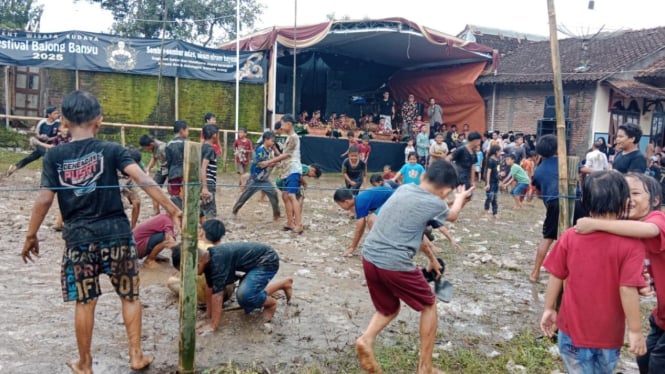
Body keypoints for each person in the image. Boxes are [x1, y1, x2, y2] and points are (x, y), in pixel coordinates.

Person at [20, 90, 182, 373]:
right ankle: (136, 356)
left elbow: (44, 199)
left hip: (79, 239)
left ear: (65, 123)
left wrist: (31, 235)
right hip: (117, 235)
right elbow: (142, 178)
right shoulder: (112, 150)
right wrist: (171, 208)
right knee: (130, 295)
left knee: (85, 301)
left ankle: (84, 363)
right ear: (99, 120)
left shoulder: (54, 156)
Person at [355, 160, 473, 374]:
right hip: (394, 263)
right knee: (429, 305)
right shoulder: (435, 203)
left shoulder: (405, 188)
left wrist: (432, 259)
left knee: (388, 308)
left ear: (422, 177)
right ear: (446, 191)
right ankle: (425, 368)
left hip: (370, 256)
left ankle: (366, 339)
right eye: (447, 194)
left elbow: (415, 232)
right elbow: (452, 215)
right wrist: (460, 199)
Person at [540, 171, 646, 373]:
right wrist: (635, 330)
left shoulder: (571, 236)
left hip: (571, 331)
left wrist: (549, 308)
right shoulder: (632, 245)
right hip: (608, 336)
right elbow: (627, 289)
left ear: (584, 201)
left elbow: (556, 275)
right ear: (625, 202)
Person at [574, 173, 665, 373]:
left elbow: (650, 230)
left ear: (655, 201)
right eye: (624, 193)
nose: (629, 199)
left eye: (636, 193)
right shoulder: (625, 230)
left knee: (658, 364)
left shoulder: (657, 218)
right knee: (645, 359)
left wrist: (595, 223)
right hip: (660, 316)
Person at [172, 221, 293, 334]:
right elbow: (210, 288)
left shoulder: (217, 262)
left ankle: (271, 304)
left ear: (197, 264)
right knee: (248, 292)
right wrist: (208, 315)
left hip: (266, 261)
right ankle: (284, 283)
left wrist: (213, 325)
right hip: (250, 264)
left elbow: (217, 296)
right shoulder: (207, 260)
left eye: (187, 273)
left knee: (244, 296)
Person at [529, 134, 586, 282]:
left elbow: (539, 192)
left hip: (553, 203)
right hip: (575, 201)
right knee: (580, 236)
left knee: (547, 238)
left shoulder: (539, 170)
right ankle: (575, 272)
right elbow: (584, 170)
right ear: (558, 148)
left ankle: (535, 273)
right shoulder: (567, 162)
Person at [265, 114, 303, 233]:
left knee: (291, 195)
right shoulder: (289, 138)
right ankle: (290, 222)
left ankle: (299, 224)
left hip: (293, 170)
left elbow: (286, 155)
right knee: (285, 195)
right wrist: (276, 164)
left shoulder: (293, 137)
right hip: (287, 170)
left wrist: (269, 162)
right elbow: (285, 158)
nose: (281, 127)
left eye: (282, 124)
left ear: (289, 124)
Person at [333, 183, 395, 257]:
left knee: (372, 220)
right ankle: (382, 243)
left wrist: (353, 247)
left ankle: (381, 246)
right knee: (373, 217)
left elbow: (360, 228)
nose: (341, 207)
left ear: (346, 202)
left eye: (340, 204)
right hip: (393, 196)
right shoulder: (359, 199)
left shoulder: (360, 203)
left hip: (395, 199)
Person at [232, 131, 281, 220]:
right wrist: (273, 163)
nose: (273, 143)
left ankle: (276, 215)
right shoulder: (260, 150)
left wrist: (274, 154)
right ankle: (235, 211)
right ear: (265, 140)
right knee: (245, 196)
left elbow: (276, 156)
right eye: (272, 141)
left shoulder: (269, 150)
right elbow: (261, 164)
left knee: (274, 194)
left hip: (265, 179)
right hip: (255, 179)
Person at [7, 106, 61, 176]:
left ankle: (14, 168)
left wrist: (49, 139)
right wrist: (41, 137)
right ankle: (54, 174)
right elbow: (37, 134)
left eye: (57, 113)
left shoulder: (58, 123)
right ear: (49, 115)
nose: (57, 115)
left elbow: (59, 136)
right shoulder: (42, 122)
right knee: (48, 157)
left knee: (31, 157)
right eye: (55, 113)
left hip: (51, 146)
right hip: (40, 144)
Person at [139, 134, 168, 215]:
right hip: (163, 168)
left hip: (170, 168)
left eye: (145, 147)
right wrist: (148, 168)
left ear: (151, 145)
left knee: (172, 190)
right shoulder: (154, 146)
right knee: (154, 187)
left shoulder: (163, 147)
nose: (146, 149)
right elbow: (154, 158)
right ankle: (156, 211)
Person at [165, 120, 189, 200]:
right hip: (185, 172)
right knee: (186, 194)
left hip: (173, 173)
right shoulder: (186, 143)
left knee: (175, 195)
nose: (188, 132)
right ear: (182, 130)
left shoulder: (168, 144)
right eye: (187, 130)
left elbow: (167, 163)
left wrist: (168, 178)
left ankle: (175, 210)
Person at [200, 124, 219, 221]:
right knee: (210, 211)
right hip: (208, 183)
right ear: (214, 135)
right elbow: (203, 167)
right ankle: (208, 233)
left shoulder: (201, 147)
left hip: (201, 182)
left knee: (202, 210)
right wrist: (205, 187)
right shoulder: (210, 149)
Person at [484, 145, 501, 218]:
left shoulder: (497, 160)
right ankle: (486, 211)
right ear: (496, 152)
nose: (501, 153)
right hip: (491, 182)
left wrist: (500, 175)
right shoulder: (491, 160)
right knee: (489, 197)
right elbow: (488, 172)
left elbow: (497, 170)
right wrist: (487, 184)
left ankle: (495, 212)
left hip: (496, 181)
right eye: (500, 151)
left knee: (495, 197)